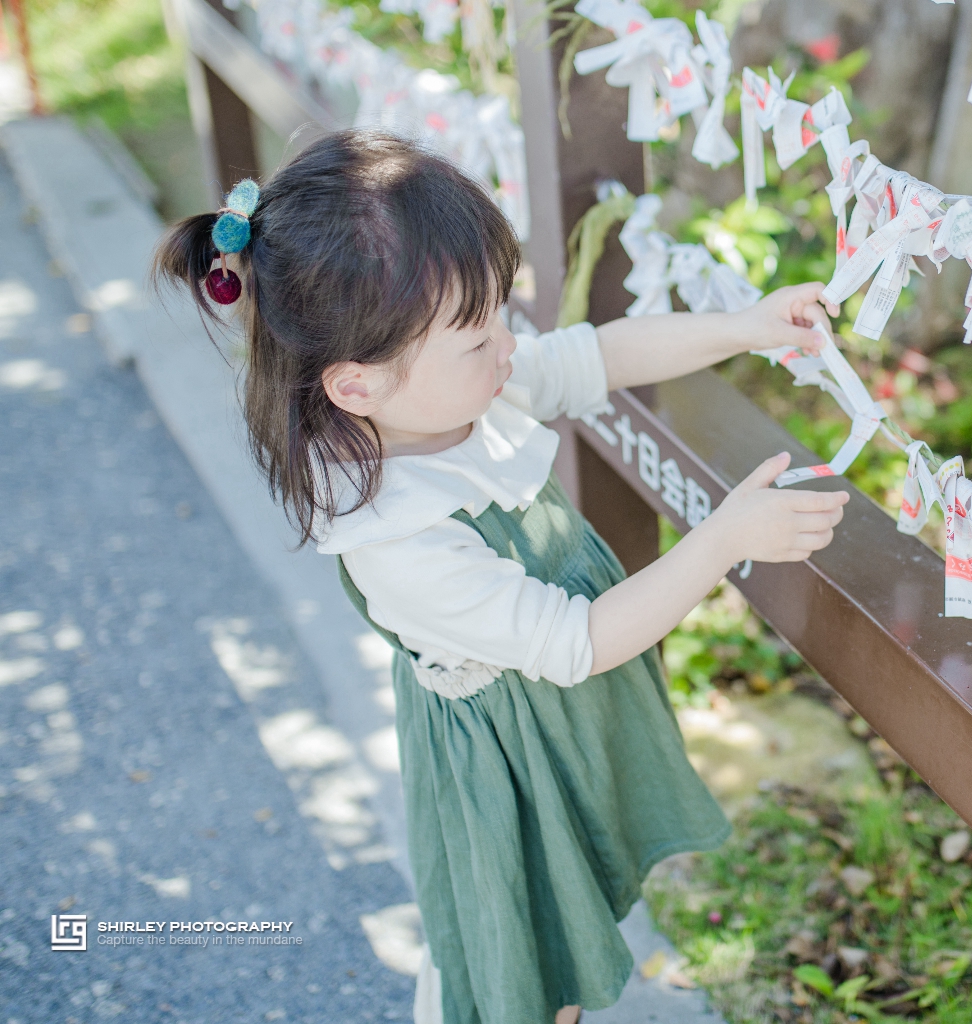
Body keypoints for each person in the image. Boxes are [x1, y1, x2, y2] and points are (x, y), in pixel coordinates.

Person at [154, 128, 848, 1024]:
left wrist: (746, 326)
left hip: (553, 720)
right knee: (525, 960)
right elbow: (577, 640)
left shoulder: (458, 393)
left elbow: (599, 356)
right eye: (475, 336)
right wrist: (721, 541)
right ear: (356, 387)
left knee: (567, 923)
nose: (510, 348)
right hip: (508, 764)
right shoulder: (396, 532)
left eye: (500, 316)